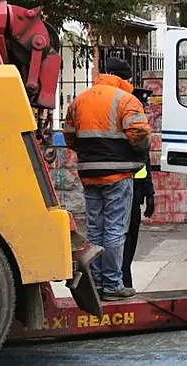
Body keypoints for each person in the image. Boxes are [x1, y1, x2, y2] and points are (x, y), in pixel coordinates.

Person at [63, 57, 151, 301]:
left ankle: (97, 282)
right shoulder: (126, 100)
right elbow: (140, 134)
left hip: (89, 173)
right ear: (124, 79)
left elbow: (69, 136)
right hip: (118, 174)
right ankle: (112, 286)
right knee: (114, 229)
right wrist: (140, 151)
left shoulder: (80, 100)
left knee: (94, 228)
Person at [122, 87, 156, 290]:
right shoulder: (128, 123)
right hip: (123, 189)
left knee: (130, 237)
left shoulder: (140, 124)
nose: (144, 109)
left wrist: (149, 192)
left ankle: (125, 276)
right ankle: (121, 278)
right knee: (121, 237)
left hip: (135, 192)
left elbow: (144, 162)